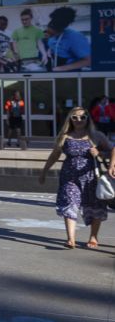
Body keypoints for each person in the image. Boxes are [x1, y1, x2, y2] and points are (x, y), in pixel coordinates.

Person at [39, 107, 115, 249]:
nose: (79, 120)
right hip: (69, 176)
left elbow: (112, 150)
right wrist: (44, 171)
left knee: (95, 206)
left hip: (92, 177)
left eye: (82, 117)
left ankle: (93, 237)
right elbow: (55, 155)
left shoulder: (96, 135)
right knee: (69, 202)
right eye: (75, 117)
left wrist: (101, 156)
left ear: (88, 119)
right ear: (70, 119)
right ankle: (71, 239)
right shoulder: (65, 136)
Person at [44, 6, 91, 72]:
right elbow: (54, 45)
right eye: (49, 31)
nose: (49, 35)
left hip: (69, 74)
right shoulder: (52, 33)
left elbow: (88, 60)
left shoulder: (75, 38)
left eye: (52, 33)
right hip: (54, 69)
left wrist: (63, 68)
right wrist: (48, 52)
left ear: (63, 27)